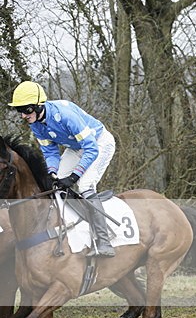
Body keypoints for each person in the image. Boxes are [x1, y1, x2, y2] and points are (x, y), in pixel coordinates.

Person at [9, 81, 117, 256]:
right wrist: (52, 171)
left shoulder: (65, 115)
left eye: (26, 109)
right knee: (56, 183)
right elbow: (50, 151)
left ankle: (104, 241)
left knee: (85, 185)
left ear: (38, 105)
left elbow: (91, 148)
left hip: (99, 143)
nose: (23, 115)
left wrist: (74, 177)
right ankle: (71, 226)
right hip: (76, 148)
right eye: (19, 110)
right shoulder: (35, 123)